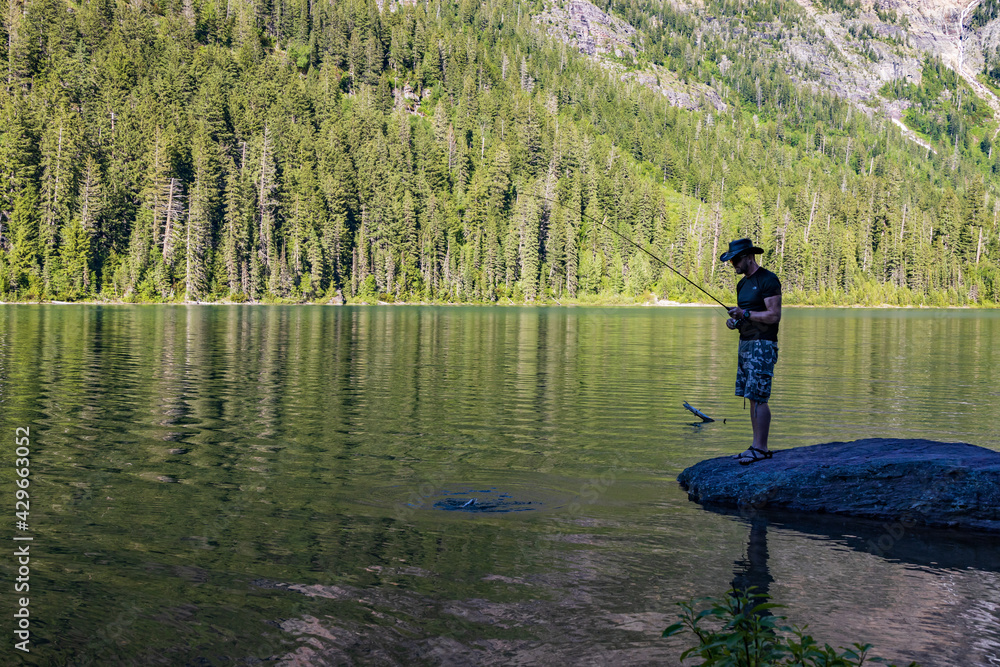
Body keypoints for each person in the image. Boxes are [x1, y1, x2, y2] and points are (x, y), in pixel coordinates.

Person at [719, 238, 782, 465]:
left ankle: (761, 448)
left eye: (735, 259)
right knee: (751, 397)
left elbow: (773, 316)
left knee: (759, 397)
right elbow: (748, 314)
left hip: (763, 345)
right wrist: (737, 322)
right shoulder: (742, 285)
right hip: (746, 344)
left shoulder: (767, 279)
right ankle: (755, 446)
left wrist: (744, 315)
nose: (732, 263)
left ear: (748, 257)